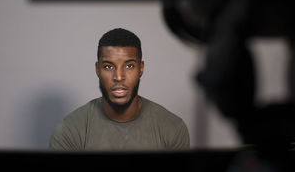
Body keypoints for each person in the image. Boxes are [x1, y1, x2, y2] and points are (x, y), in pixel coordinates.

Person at [49, 28, 190, 150]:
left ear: (141, 69)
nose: (118, 77)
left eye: (129, 66)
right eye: (108, 66)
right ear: (97, 69)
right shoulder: (68, 131)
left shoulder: (173, 128)